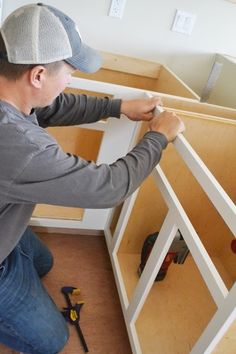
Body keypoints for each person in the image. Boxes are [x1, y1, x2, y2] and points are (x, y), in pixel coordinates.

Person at [0, 3, 185, 354]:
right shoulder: (17, 143)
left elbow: (53, 105)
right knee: (52, 340)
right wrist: (158, 137)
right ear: (38, 75)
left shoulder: (9, 85)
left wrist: (115, 107)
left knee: (43, 263)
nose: (70, 79)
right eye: (68, 71)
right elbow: (108, 187)